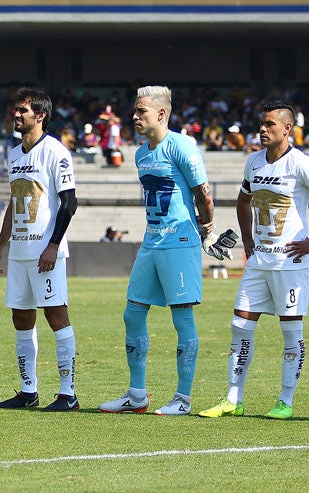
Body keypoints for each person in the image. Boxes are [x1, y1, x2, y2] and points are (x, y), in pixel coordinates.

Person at [199, 102, 309, 420]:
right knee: (239, 325)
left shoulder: (301, 164)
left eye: (269, 124)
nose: (262, 129)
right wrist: (248, 238)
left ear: (287, 128)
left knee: (291, 331)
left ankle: (285, 401)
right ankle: (232, 399)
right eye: (261, 123)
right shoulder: (253, 162)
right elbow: (243, 200)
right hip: (259, 260)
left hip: (291, 263)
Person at [98, 86, 215, 416]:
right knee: (132, 313)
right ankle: (137, 395)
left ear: (161, 114)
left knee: (182, 317)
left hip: (179, 241)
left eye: (141, 111)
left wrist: (207, 230)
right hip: (152, 240)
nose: (134, 116)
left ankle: (183, 398)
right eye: (135, 111)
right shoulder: (140, 154)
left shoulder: (181, 145)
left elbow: (203, 195)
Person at [0, 88, 80, 411]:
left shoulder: (56, 152)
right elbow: (15, 205)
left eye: (23, 110)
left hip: (46, 251)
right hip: (20, 252)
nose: (17, 114)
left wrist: (53, 245)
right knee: (21, 317)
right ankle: (29, 392)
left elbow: (69, 204)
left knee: (56, 315)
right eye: (16, 109)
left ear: (40, 116)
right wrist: (0, 246)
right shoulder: (14, 155)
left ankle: (68, 394)